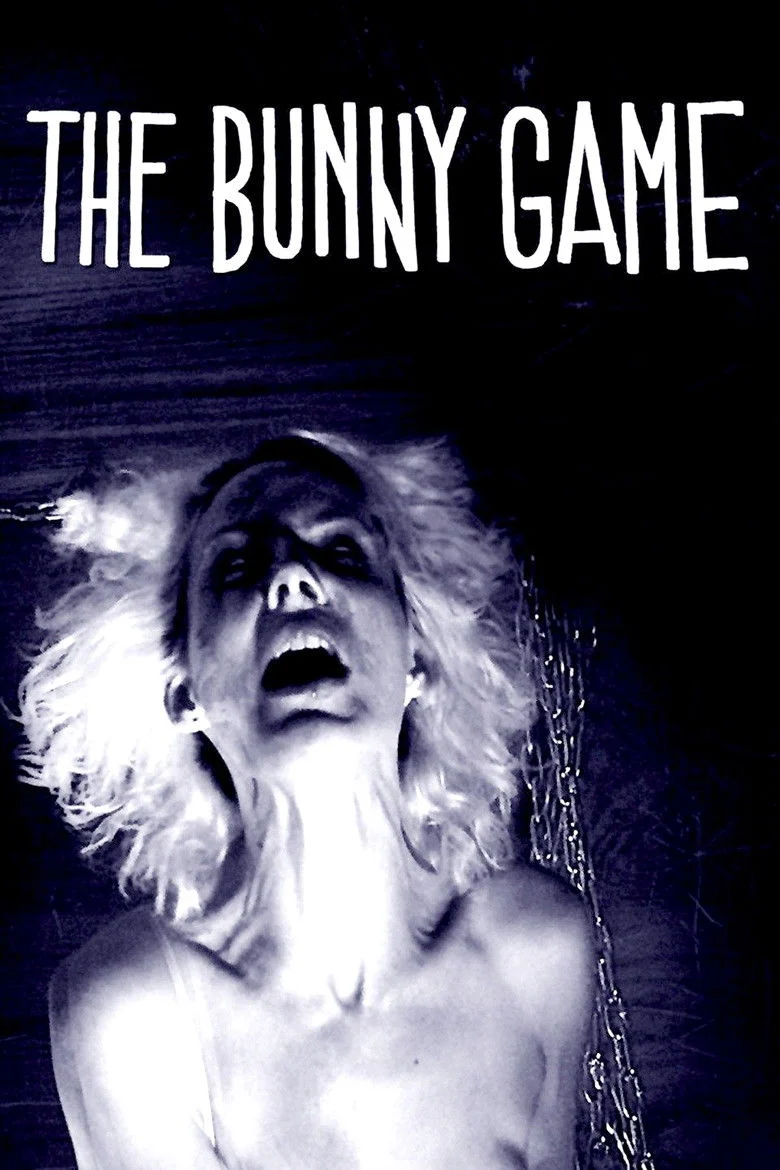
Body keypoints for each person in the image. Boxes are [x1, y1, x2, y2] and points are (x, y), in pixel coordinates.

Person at [19, 431, 594, 1170]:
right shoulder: (133, 1018)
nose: (292, 576)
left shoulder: (540, 948)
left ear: (418, 657)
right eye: (237, 565)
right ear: (183, 691)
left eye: (342, 552)